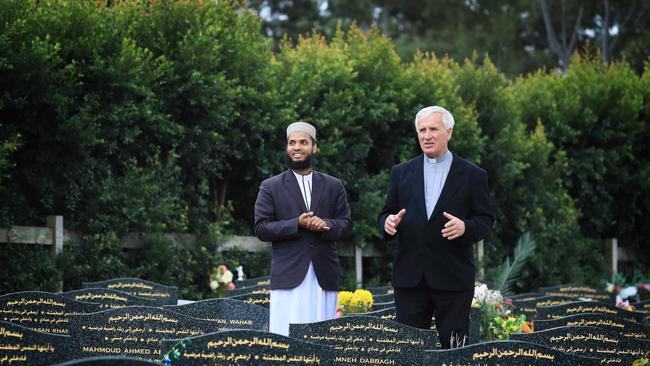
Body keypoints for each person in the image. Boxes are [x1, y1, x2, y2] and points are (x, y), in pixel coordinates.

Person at [377, 106, 494, 348]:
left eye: (433, 129)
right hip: (410, 278)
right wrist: (387, 223)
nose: (427, 135)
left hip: (453, 278)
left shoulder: (473, 175)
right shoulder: (401, 173)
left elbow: (485, 220)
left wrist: (466, 227)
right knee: (408, 351)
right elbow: (386, 213)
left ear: (449, 132)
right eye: (422, 130)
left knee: (454, 350)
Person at [254, 121, 352, 336]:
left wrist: (325, 225)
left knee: (322, 339)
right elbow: (262, 228)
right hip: (289, 276)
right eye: (292, 143)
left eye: (303, 142)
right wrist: (296, 223)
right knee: (285, 338)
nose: (297, 147)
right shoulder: (271, 186)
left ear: (314, 147)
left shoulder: (333, 185)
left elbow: (345, 226)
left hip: (323, 274)